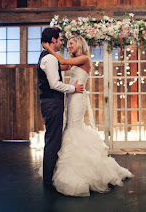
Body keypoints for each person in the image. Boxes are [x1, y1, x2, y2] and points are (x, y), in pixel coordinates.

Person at [41, 35, 134, 196]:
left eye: (71, 43)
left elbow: (62, 62)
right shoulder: (75, 60)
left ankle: (80, 170)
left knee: (74, 128)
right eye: (67, 43)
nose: (68, 46)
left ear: (79, 44)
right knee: (70, 128)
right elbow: (60, 66)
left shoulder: (84, 58)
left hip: (78, 98)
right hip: (71, 96)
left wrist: (48, 49)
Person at [37, 28, 84, 190]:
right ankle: (48, 180)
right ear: (52, 40)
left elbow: (64, 66)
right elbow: (54, 84)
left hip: (50, 101)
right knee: (53, 139)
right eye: (59, 39)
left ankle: (49, 175)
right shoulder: (49, 58)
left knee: (54, 137)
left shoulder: (49, 57)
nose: (61, 42)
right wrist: (73, 88)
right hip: (52, 102)